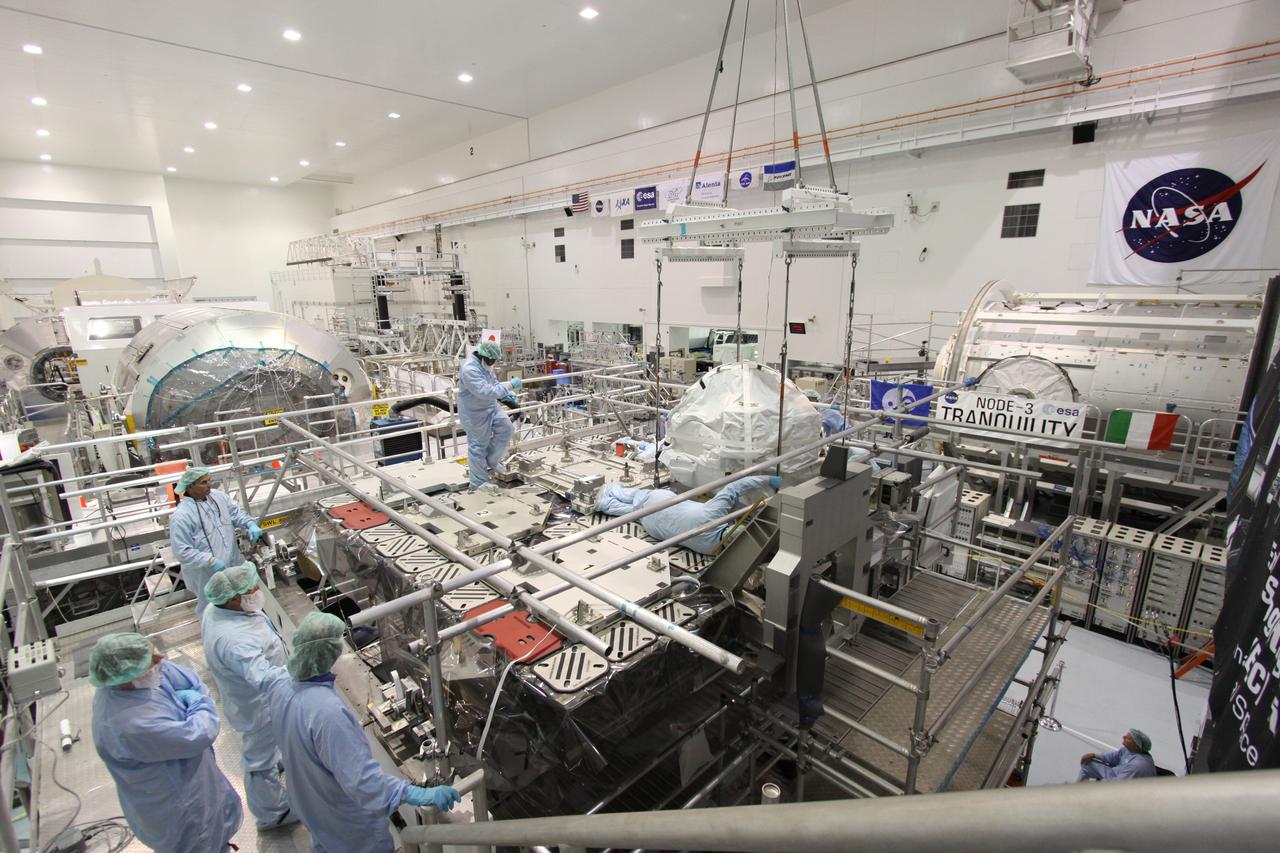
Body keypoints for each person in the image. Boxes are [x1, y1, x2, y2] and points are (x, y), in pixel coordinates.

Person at [267, 612, 461, 852]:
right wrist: (414, 794)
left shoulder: (281, 683)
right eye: (337, 642)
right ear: (328, 652)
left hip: (309, 801)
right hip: (346, 823)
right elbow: (363, 783)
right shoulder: (328, 713)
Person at [89, 632, 242, 852]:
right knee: (202, 843)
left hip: (195, 781)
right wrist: (199, 702)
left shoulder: (138, 679)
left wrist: (195, 700)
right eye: (152, 661)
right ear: (128, 676)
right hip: (180, 807)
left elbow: (189, 680)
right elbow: (199, 733)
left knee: (216, 838)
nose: (161, 661)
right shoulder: (129, 725)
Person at [202, 563, 296, 831]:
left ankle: (277, 766)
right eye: (252, 589)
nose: (257, 591)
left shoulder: (217, 610)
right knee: (259, 761)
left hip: (250, 700)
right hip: (259, 707)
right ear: (233, 598)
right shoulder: (235, 641)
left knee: (269, 751)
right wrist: (302, 668)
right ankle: (272, 813)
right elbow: (264, 679)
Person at [597, 475, 780, 555]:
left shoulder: (713, 514)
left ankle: (611, 490)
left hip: (659, 503)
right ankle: (605, 504)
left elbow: (734, 487)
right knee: (637, 513)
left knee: (638, 496)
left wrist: (768, 480)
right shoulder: (712, 550)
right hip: (654, 529)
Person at [169, 467, 263, 615]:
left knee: (240, 602)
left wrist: (250, 524)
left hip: (232, 563)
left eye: (209, 480)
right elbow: (182, 551)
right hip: (207, 573)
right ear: (190, 487)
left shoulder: (218, 497)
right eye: (203, 482)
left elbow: (235, 514)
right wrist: (211, 561)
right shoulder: (182, 516)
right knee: (212, 608)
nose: (209, 485)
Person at [458, 341, 521, 490]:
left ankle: (492, 460)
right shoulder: (469, 369)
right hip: (474, 413)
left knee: (507, 429)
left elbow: (493, 383)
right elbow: (485, 391)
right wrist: (510, 385)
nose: (493, 363)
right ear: (483, 355)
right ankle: (478, 483)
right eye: (491, 360)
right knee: (478, 445)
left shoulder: (485, 365)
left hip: (491, 407)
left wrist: (506, 394)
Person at [1077, 729, 1157, 781]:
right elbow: (1114, 757)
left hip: (1124, 785)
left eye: (1128, 738)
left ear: (1137, 745)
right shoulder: (1128, 750)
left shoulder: (1137, 765)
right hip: (1117, 773)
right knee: (1088, 764)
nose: (1123, 737)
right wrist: (1094, 755)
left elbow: (1119, 784)